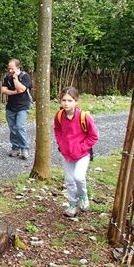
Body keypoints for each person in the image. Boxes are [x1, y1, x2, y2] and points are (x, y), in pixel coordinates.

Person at [54, 87, 99, 218]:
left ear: (76, 101)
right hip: (67, 154)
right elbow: (57, 130)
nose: (66, 103)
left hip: (82, 154)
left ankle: (83, 196)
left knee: (78, 177)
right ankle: (72, 204)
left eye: (70, 100)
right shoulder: (59, 116)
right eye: (63, 100)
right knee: (69, 180)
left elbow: (94, 136)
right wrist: (61, 145)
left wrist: (81, 147)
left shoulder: (84, 117)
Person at [0, 59, 33, 160]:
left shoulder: (25, 77)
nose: (10, 71)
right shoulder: (7, 77)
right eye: (9, 68)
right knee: (12, 128)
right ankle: (15, 148)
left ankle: (24, 148)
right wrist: (15, 92)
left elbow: (21, 89)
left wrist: (15, 78)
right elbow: (3, 90)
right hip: (11, 106)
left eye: (12, 68)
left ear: (18, 67)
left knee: (20, 126)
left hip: (23, 106)